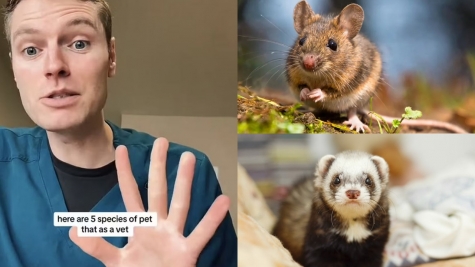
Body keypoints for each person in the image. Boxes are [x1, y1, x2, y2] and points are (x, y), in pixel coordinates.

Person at [0, 0, 237, 266]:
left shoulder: (187, 175)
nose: (54, 66)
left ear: (111, 56)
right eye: (31, 50)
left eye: (79, 43)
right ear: (14, 71)